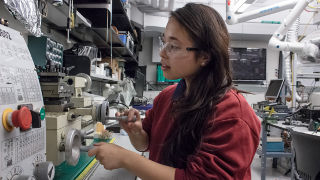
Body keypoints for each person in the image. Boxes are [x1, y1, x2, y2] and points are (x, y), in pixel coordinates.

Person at [88, 3, 261, 180]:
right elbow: (145, 145)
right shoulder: (167, 97)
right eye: (165, 42)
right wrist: (137, 132)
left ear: (204, 56)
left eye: (174, 46)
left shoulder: (233, 115)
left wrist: (125, 158)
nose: (162, 53)